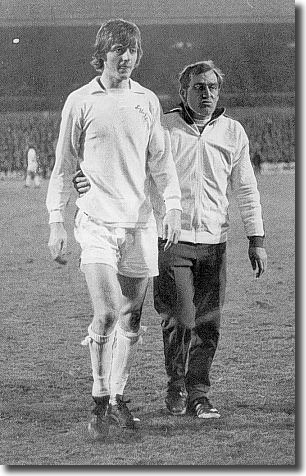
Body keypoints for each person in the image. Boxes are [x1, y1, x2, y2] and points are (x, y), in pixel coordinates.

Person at [74, 60, 267, 421]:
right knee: (180, 318)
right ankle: (175, 384)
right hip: (169, 239)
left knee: (208, 323)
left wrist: (256, 237)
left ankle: (199, 393)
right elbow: (125, 164)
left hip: (215, 240)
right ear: (183, 92)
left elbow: (245, 187)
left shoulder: (232, 132)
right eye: (198, 87)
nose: (206, 93)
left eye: (212, 87)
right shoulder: (162, 125)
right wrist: (87, 181)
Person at [46, 19, 182, 440]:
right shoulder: (80, 100)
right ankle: (98, 398)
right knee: (105, 313)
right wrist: (56, 221)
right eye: (118, 50)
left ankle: (119, 398)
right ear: (102, 52)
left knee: (132, 317)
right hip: (96, 222)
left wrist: (173, 205)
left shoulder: (146, 100)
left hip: (139, 222)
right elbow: (64, 166)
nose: (126, 58)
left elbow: (160, 161)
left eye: (133, 52)